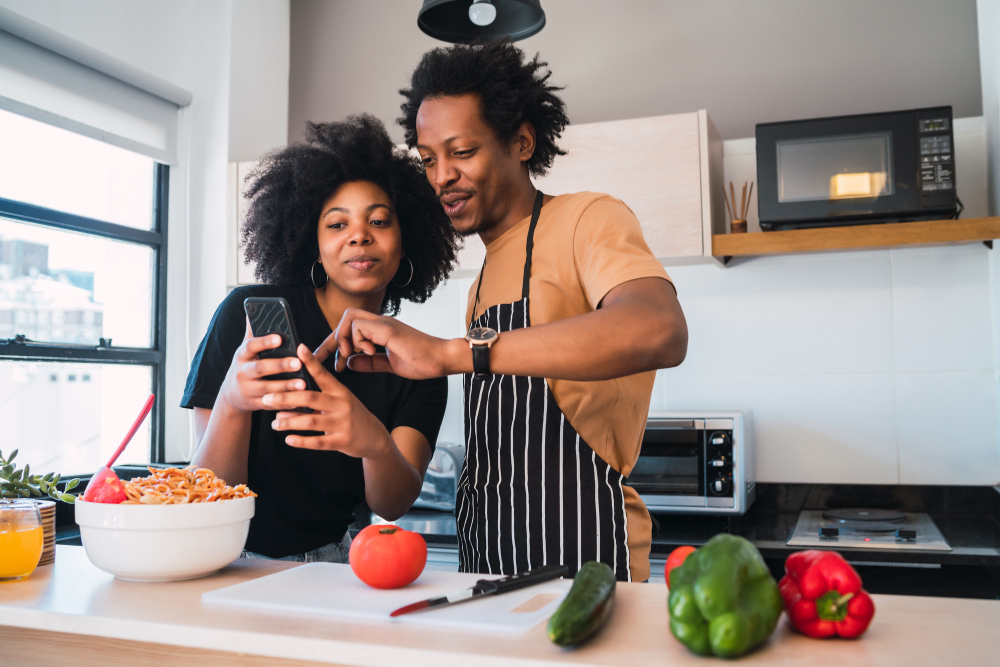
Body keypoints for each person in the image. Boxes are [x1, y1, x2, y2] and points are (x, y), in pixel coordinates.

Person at [321, 42, 688, 582]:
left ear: (520, 141)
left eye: (461, 152)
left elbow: (659, 329)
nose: (441, 175)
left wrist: (449, 353)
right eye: (428, 160)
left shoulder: (588, 218)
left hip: (581, 549)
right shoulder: (484, 277)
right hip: (487, 552)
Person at [180, 114, 458, 562]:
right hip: (222, 559)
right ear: (313, 244)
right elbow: (209, 488)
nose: (359, 236)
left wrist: (374, 441)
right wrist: (233, 401)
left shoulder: (420, 361)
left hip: (329, 565)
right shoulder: (246, 316)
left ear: (406, 243)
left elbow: (393, 504)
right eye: (337, 224)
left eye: (380, 221)